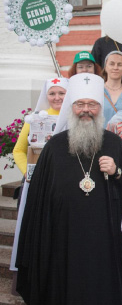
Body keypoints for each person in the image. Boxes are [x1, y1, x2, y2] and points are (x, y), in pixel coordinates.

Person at [16, 73, 122, 305]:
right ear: (71, 108)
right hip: (63, 245)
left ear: (100, 108)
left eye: (91, 105)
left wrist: (118, 172)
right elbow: (38, 202)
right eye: (80, 104)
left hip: (107, 246)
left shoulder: (114, 144)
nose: (86, 110)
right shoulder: (54, 148)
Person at [11, 77, 68, 272]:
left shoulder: (74, 117)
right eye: (52, 93)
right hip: (37, 182)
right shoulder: (36, 118)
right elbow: (19, 150)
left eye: (62, 93)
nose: (57, 97)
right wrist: (29, 172)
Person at [102, 51, 122, 127]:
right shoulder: (97, 91)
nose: (115, 68)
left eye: (120, 65)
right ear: (105, 67)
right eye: (112, 64)